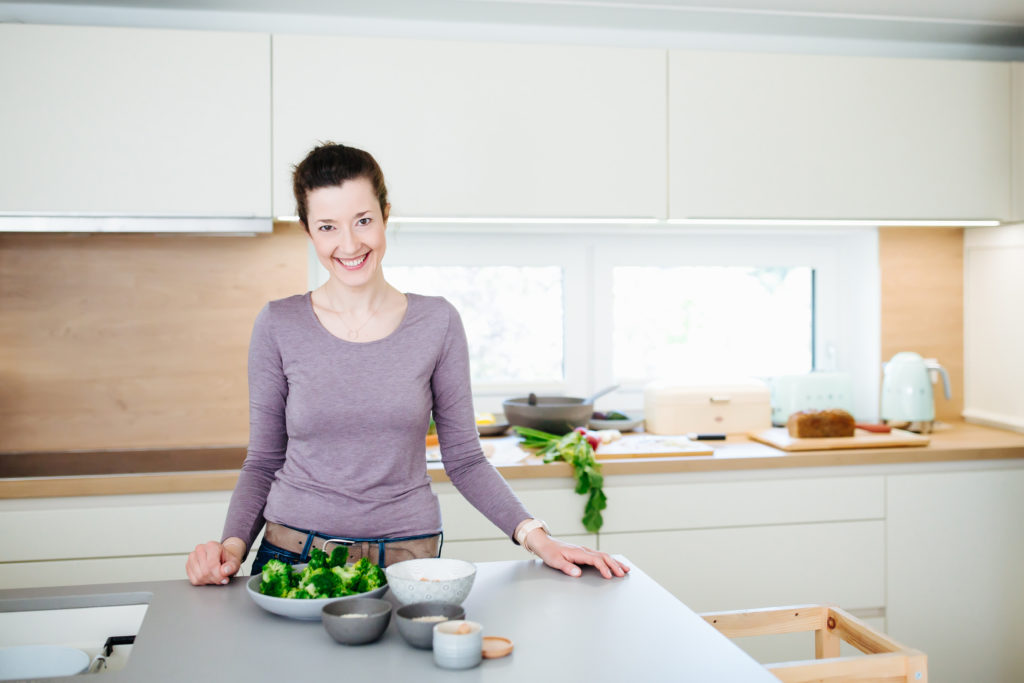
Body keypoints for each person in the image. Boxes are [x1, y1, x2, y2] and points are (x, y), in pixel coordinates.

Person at [186, 142, 629, 586]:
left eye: (363, 221)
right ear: (308, 231)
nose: (349, 244)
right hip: (294, 554)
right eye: (327, 227)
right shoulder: (278, 324)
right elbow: (263, 461)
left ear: (385, 215)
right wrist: (229, 548)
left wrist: (540, 539)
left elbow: (465, 459)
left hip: (408, 558)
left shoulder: (436, 322)